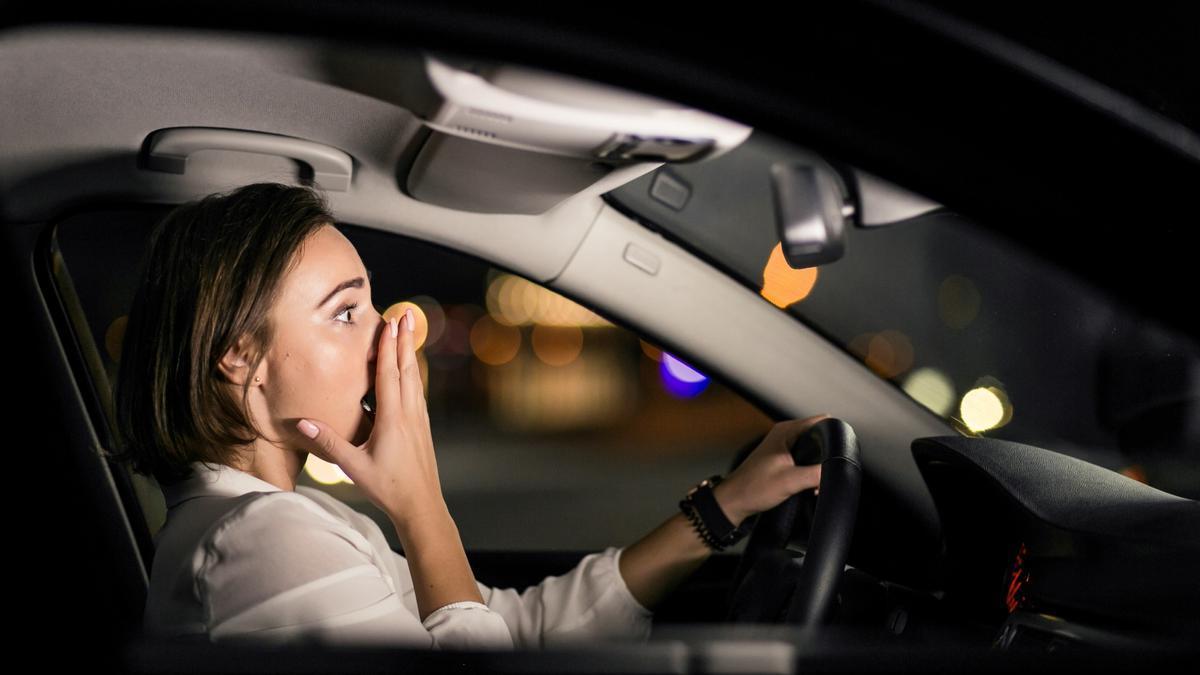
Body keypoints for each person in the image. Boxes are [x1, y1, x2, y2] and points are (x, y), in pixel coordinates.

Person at [112, 182, 827, 651]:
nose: (393, 334)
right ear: (239, 357)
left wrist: (725, 507)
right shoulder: (261, 541)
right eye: (347, 312)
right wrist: (423, 509)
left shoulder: (290, 522)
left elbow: (513, 628)